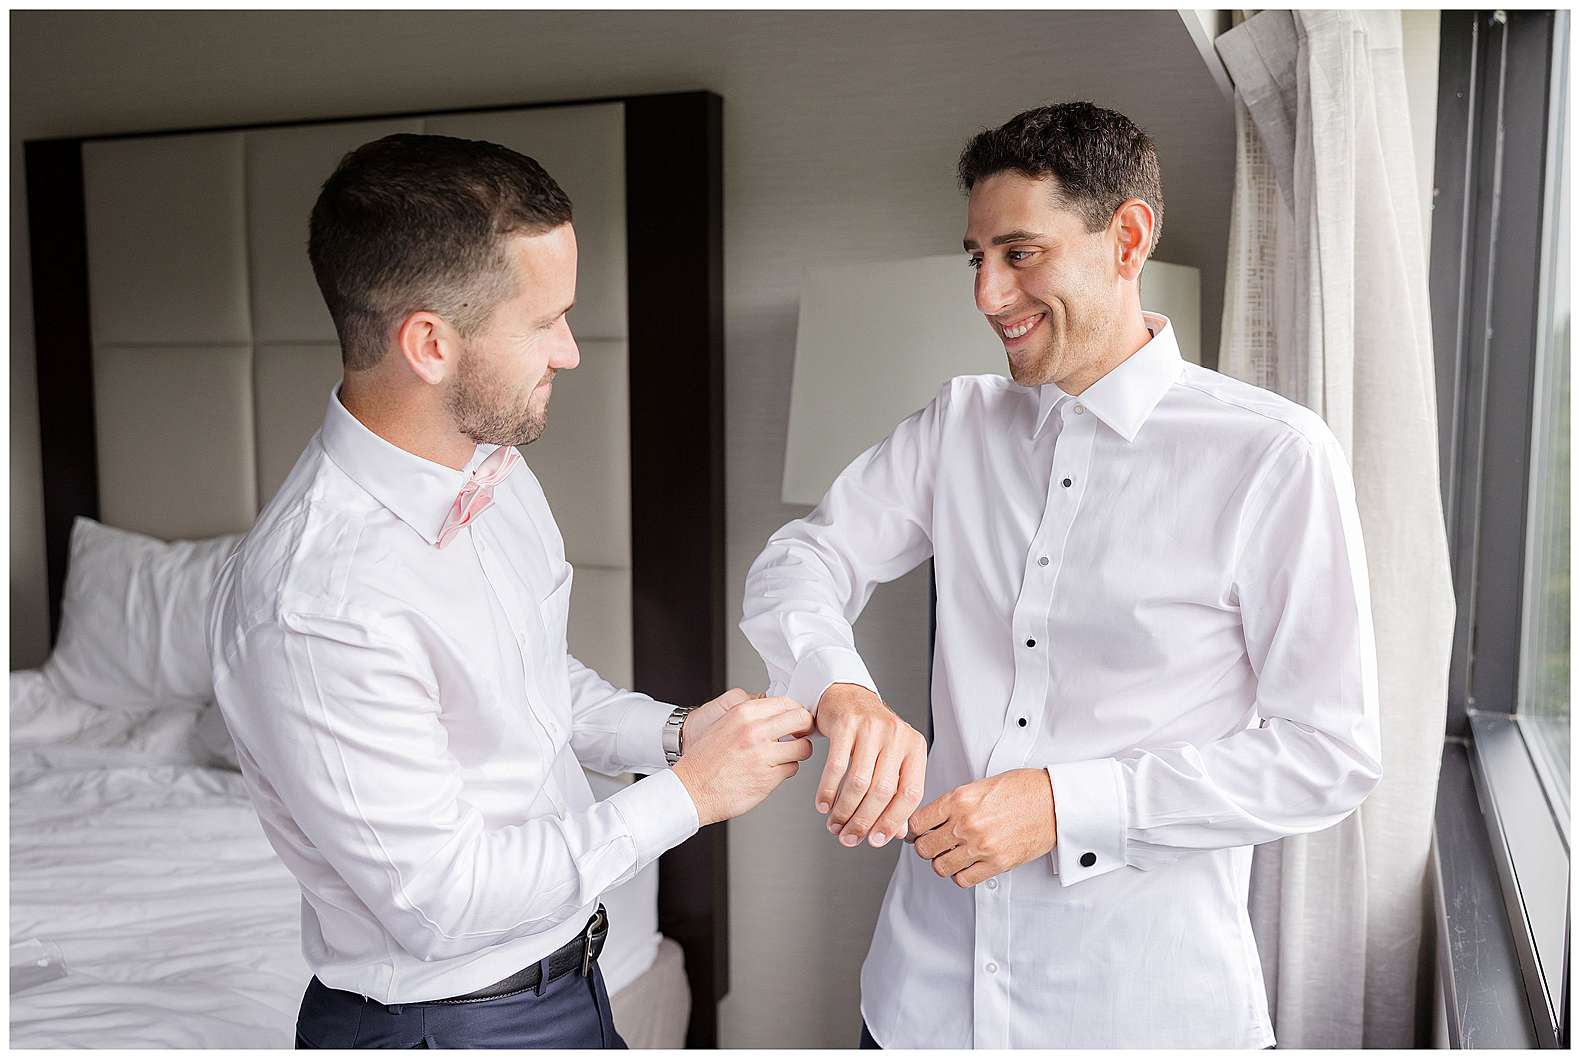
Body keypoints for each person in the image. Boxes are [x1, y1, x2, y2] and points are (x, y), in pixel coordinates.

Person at [740, 101, 1382, 1049]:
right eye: (976, 257)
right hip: (921, 1007)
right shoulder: (955, 426)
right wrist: (837, 686)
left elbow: (1328, 755)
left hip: (1139, 1015)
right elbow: (802, 558)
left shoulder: (1274, 457)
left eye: (1020, 253)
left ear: (1127, 238)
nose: (987, 295)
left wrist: (1063, 804)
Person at [207, 133, 813, 1049]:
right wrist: (690, 793)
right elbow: (440, 906)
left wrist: (676, 734)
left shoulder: (495, 474)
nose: (570, 350)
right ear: (430, 343)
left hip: (570, 981)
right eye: (544, 321)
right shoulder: (314, 602)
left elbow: (530, 686)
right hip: (442, 1026)